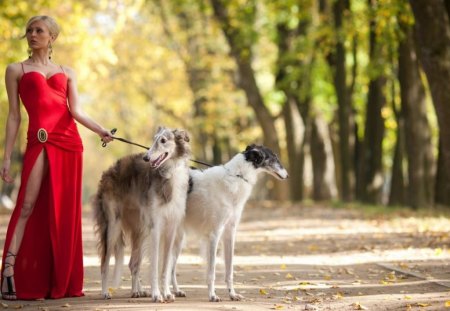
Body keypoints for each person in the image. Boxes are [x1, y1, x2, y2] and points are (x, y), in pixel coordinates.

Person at [0, 15, 113, 300]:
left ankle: (60, 279)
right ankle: (9, 271)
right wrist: (5, 156)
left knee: (64, 213)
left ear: (52, 37)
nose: (32, 34)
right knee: (26, 204)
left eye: (39, 30)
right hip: (38, 141)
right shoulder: (16, 70)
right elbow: (14, 116)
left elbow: (75, 111)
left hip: (69, 143)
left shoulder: (67, 71)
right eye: (29, 30)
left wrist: (100, 129)